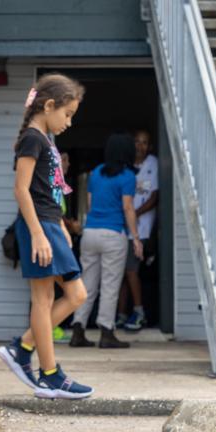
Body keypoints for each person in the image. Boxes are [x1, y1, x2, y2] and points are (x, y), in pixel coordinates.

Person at [0, 74, 94, 400]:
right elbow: (21, 190)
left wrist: (61, 225)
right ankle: (49, 373)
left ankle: (23, 348)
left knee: (75, 295)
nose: (68, 122)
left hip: (50, 223)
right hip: (37, 225)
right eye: (67, 115)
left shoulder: (45, 139)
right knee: (46, 299)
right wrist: (38, 233)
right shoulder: (33, 139)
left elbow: (47, 190)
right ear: (49, 105)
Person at [68, 133, 143, 349]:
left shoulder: (96, 173)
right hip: (113, 234)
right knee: (110, 285)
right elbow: (127, 207)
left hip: (90, 232)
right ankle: (107, 332)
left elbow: (90, 204)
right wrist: (135, 237)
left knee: (87, 283)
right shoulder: (128, 176)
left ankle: (78, 329)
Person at [117, 129, 159, 331]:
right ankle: (122, 314)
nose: (140, 146)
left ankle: (139, 312)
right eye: (137, 141)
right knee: (124, 272)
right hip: (123, 228)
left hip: (141, 230)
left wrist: (135, 213)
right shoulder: (125, 166)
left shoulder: (153, 164)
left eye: (144, 142)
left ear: (149, 146)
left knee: (131, 271)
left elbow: (154, 197)